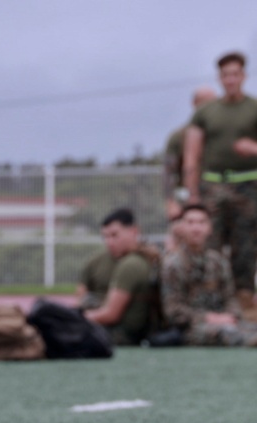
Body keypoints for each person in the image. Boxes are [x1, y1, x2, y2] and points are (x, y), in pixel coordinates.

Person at [183, 51, 257, 310]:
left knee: (246, 247)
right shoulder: (206, 112)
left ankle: (245, 302)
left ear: (244, 76)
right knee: (208, 242)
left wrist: (253, 148)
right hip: (212, 185)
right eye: (226, 75)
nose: (231, 79)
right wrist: (192, 195)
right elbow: (192, 154)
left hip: (248, 187)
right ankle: (209, 301)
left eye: (235, 74)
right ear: (220, 78)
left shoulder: (253, 108)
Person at [161, 203, 257, 346]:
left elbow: (230, 298)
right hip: (190, 329)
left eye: (201, 222)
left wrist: (231, 316)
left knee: (250, 328)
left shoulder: (218, 262)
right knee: (228, 334)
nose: (196, 228)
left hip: (224, 321)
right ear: (181, 227)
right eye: (190, 222)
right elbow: (173, 311)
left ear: (210, 228)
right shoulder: (172, 265)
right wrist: (209, 318)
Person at [76, 208, 155, 345]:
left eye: (115, 235)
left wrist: (73, 320)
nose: (109, 242)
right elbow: (81, 293)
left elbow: (111, 314)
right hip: (102, 324)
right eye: (105, 237)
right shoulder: (96, 261)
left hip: (117, 333)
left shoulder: (133, 264)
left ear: (134, 231)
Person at [163, 86, 217, 221]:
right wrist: (170, 202)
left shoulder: (221, 135)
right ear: (194, 103)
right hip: (187, 198)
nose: (208, 107)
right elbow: (169, 172)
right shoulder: (179, 136)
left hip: (216, 197)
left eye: (213, 102)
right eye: (204, 102)